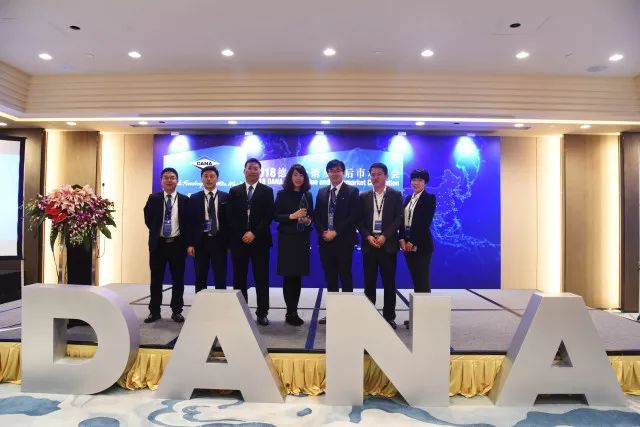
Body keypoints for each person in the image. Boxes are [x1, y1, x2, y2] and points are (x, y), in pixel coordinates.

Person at [227, 158, 274, 326]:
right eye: (250, 168)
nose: (253, 171)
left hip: (260, 241)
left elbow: (268, 216)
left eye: (256, 168)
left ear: (260, 172)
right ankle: (241, 312)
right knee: (239, 278)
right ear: (244, 171)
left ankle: (262, 313)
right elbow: (230, 216)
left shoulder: (267, 191)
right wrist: (243, 233)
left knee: (261, 278)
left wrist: (253, 232)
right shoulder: (234, 191)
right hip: (239, 241)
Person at [358, 162, 403, 329]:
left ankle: (389, 316)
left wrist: (385, 236)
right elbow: (359, 221)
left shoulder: (395, 195)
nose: (375, 177)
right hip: (369, 245)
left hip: (387, 245)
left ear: (386, 176)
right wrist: (368, 236)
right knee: (369, 282)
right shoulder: (363, 196)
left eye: (378, 174)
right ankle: (369, 316)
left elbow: (398, 219)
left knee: (389, 283)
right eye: (372, 174)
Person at [314, 159, 359, 324]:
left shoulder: (352, 191)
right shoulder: (322, 192)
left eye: (338, 170)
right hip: (325, 241)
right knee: (330, 278)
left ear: (343, 172)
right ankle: (333, 313)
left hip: (344, 241)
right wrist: (323, 232)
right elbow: (317, 216)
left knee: (345, 276)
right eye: (331, 170)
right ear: (328, 173)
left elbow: (353, 216)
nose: (335, 173)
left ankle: (347, 313)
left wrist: (336, 232)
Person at [143, 167, 189, 323]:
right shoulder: (153, 198)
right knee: (156, 279)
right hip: (158, 245)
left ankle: (177, 311)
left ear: (177, 181)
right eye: (166, 178)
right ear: (161, 181)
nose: (169, 180)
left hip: (177, 245)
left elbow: (187, 223)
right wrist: (157, 231)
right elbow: (148, 218)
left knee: (178, 279)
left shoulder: (184, 200)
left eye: (172, 177)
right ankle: (154, 311)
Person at [274, 164, 314, 326]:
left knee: (297, 277)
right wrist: (292, 216)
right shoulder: (282, 194)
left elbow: (312, 217)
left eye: (301, 175)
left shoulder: (308, 195)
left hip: (301, 240)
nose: (298, 178)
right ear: (290, 177)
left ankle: (294, 311)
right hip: (287, 240)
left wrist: (307, 221)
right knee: (288, 276)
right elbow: (276, 216)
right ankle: (289, 312)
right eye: (295, 174)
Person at [187, 165, 229, 293]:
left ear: (217, 179)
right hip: (201, 241)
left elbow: (230, 221)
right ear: (201, 179)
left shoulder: (226, 197)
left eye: (212, 176)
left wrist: (230, 242)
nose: (209, 179)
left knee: (220, 275)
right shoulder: (194, 198)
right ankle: (200, 303)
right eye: (205, 176)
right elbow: (190, 223)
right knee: (200, 275)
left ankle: (220, 302)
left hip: (219, 241)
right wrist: (190, 244)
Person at [399, 168, 436, 297]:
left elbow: (425, 223)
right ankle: (419, 309)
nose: (416, 183)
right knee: (415, 279)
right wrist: (401, 238)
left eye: (420, 180)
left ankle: (426, 309)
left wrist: (413, 241)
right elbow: (402, 220)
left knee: (422, 280)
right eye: (414, 180)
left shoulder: (429, 198)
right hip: (407, 245)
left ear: (425, 182)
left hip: (421, 245)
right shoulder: (408, 198)